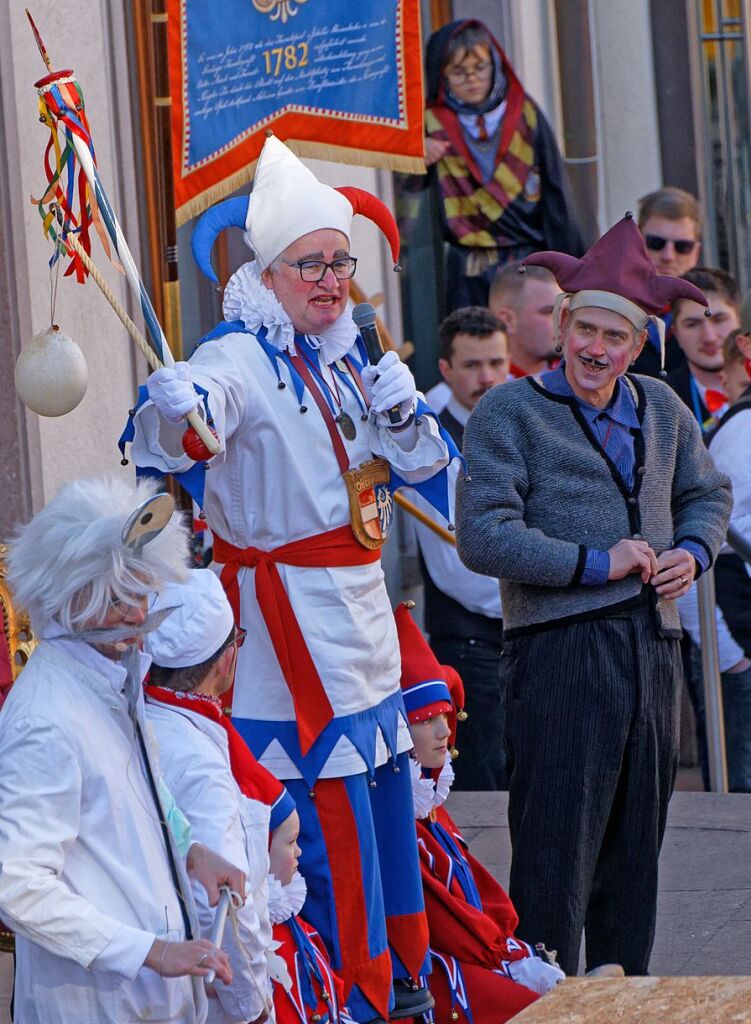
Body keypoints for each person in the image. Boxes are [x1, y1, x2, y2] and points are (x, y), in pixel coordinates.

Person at [124, 134, 450, 1023]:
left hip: (362, 616)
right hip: (280, 629)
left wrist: (401, 407)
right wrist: (178, 412)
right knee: (313, 817)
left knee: (380, 802)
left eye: (340, 261)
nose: (330, 278)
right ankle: (339, 991)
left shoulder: (352, 353)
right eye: (309, 263)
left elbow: (425, 468)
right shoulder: (235, 356)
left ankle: (402, 974)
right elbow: (176, 437)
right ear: (266, 274)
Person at [456, 214, 733, 976]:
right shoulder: (508, 411)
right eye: (584, 330)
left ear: (638, 345)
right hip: (558, 653)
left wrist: (691, 549)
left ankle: (627, 1000)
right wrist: (594, 562)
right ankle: (544, 1001)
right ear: (562, 325)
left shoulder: (661, 408)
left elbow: (708, 494)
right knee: (552, 861)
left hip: (652, 650)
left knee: (634, 862)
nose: (595, 349)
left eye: (615, 338)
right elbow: (481, 536)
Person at [0, 476, 247, 1023]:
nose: (139, 615)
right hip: (96, 1007)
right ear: (68, 598)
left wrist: (191, 850)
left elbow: (138, 793)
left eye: (142, 592)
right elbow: (15, 883)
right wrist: (151, 953)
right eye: (119, 598)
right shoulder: (45, 718)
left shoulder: (111, 673)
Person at [395, 604, 564, 1022]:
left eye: (444, 717)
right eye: (426, 720)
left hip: (473, 950)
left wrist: (514, 950)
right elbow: (442, 921)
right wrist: (506, 958)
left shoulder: (429, 806)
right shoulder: (399, 821)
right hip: (431, 968)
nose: (443, 731)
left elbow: (479, 894)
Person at [143, 568, 273, 1024]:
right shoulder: (199, 764)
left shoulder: (141, 720)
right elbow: (222, 906)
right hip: (199, 1004)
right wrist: (252, 1008)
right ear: (225, 661)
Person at [420, 19, 583, 310]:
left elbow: (556, 192)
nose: (471, 79)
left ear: (494, 65)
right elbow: (408, 197)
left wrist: (571, 266)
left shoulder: (525, 113)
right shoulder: (429, 123)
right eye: (458, 71)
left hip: (526, 256)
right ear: (442, 75)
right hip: (468, 262)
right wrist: (415, 157)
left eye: (480, 68)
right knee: (474, 339)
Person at [413, 308, 508, 790]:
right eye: (472, 366)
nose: (487, 377)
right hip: (471, 646)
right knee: (483, 788)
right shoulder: (427, 438)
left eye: (496, 363)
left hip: (524, 637)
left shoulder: (520, 418)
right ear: (446, 369)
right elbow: (459, 570)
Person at [694, 280, 751, 792]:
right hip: (749, 649)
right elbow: (711, 531)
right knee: (745, 816)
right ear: (747, 346)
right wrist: (732, 660)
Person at [265, 790, 355, 1024]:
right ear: (260, 852)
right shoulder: (253, 940)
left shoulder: (296, 926)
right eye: (290, 842)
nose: (299, 851)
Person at [633, 186, 702, 377]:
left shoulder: (714, 314)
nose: (668, 256)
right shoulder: (607, 304)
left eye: (682, 246)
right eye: (656, 243)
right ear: (636, 242)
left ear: (696, 253)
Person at [666, 267, 740, 428]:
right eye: (692, 324)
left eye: (719, 320)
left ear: (740, 320)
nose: (709, 337)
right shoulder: (661, 400)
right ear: (676, 334)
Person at [488, 261, 561, 379]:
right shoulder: (481, 389)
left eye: (564, 312)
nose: (563, 323)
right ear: (507, 321)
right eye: (549, 312)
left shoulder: (577, 382)